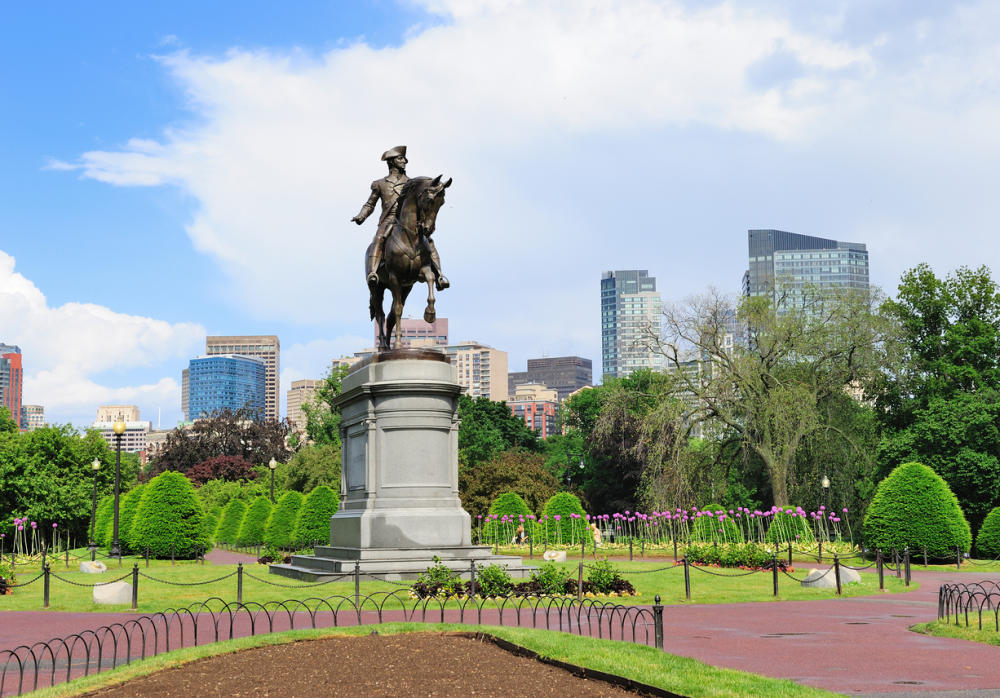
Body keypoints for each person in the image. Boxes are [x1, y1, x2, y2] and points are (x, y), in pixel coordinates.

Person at [352, 145, 449, 290]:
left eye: (404, 158)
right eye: (400, 158)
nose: (405, 161)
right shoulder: (380, 184)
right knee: (379, 238)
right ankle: (373, 272)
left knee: (428, 241)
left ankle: (440, 275)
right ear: (391, 162)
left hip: (409, 220)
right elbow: (370, 204)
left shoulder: (412, 183)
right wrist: (361, 216)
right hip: (389, 219)